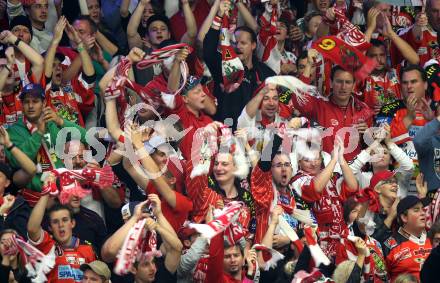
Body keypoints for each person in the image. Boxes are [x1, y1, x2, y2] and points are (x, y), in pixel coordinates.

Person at [5, 83, 87, 201]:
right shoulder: (13, 132)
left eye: (35, 101)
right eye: (27, 102)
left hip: (64, 190)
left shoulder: (53, 124)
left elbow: (85, 137)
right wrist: (38, 134)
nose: (31, 106)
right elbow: (17, 162)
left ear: (43, 103)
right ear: (21, 105)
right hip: (36, 196)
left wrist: (61, 121)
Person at [203, 0, 275, 128]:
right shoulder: (225, 66)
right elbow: (208, 51)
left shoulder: (265, 73)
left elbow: (281, 96)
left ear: (253, 45)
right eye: (235, 43)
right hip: (225, 134)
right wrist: (219, 16)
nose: (238, 46)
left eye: (243, 43)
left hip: (252, 135)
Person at [27, 189, 97, 282]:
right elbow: (32, 229)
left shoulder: (88, 249)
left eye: (65, 220)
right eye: (55, 222)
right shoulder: (46, 246)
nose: (61, 225)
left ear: (72, 223)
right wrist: (45, 193)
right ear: (50, 227)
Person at [383, 195, 432, 282]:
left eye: (423, 209)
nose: (423, 213)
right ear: (404, 218)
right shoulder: (389, 245)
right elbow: (380, 277)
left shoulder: (434, 239)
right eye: (416, 210)